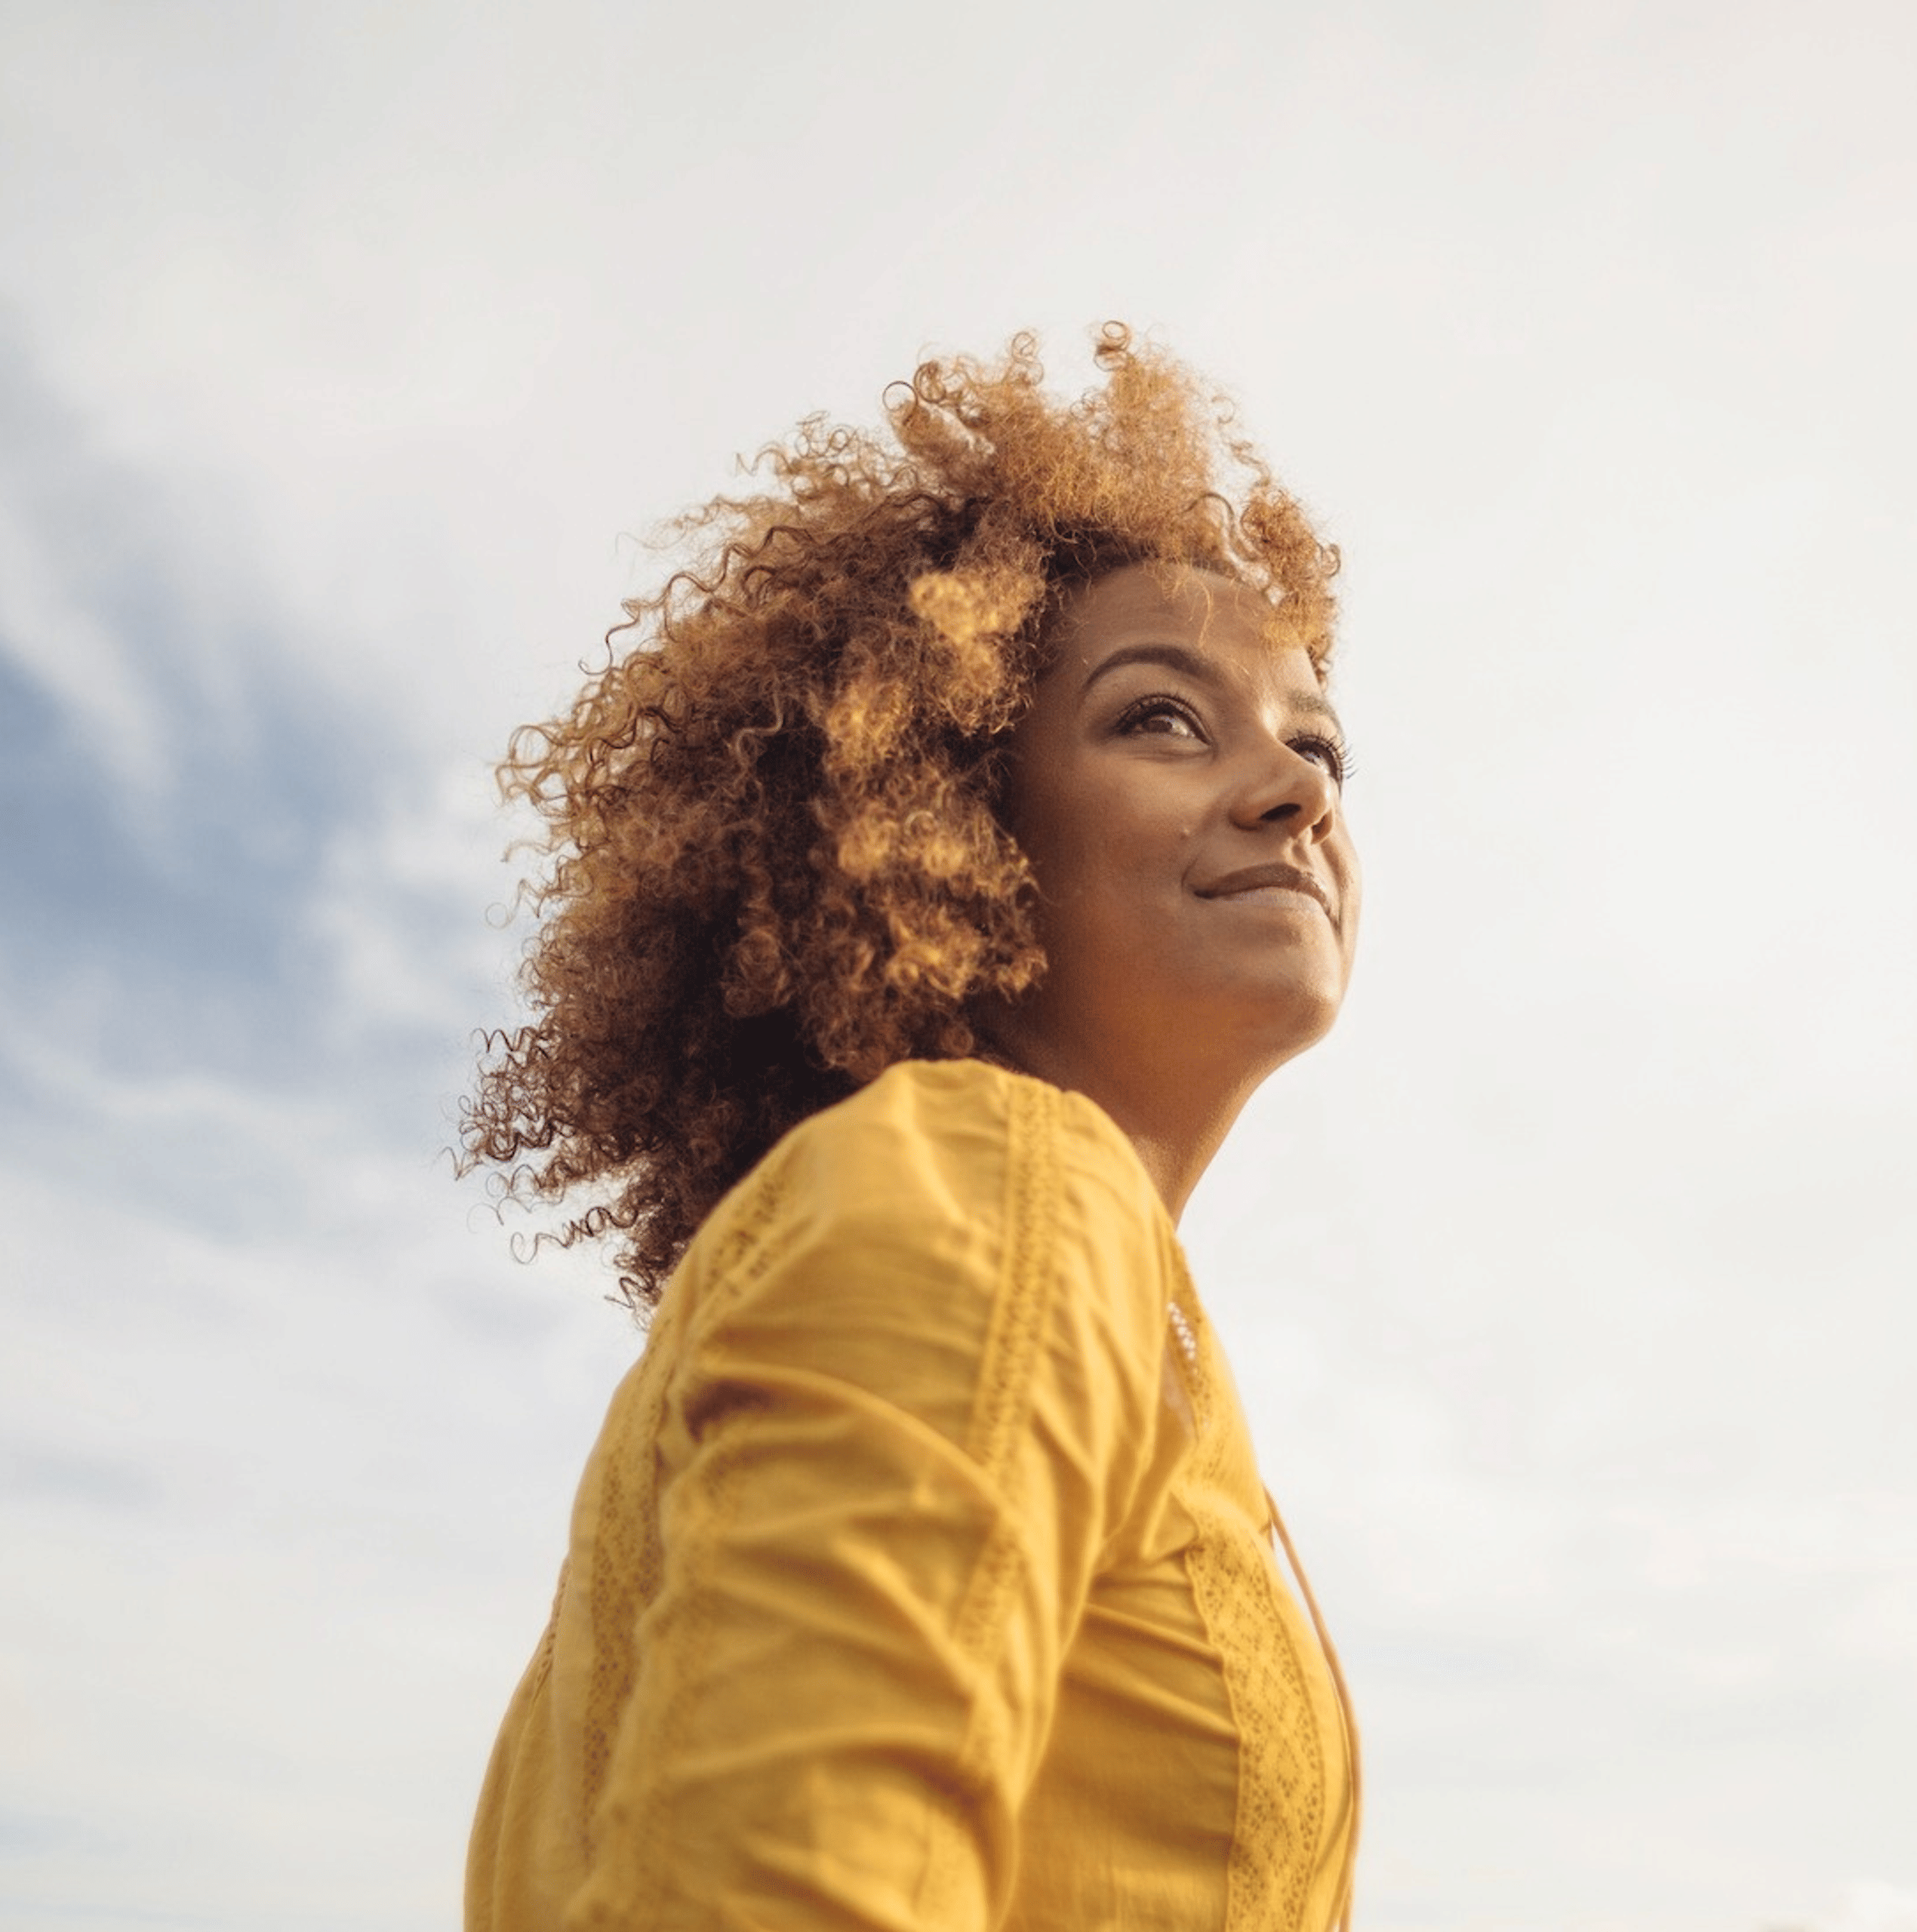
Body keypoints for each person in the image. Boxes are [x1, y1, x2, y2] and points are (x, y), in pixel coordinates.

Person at [460, 325, 1363, 1932]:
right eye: (1165, 718)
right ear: (950, 814)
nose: (1296, 789)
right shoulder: (1001, 1183)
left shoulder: (1050, 1259)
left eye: (1320, 741)